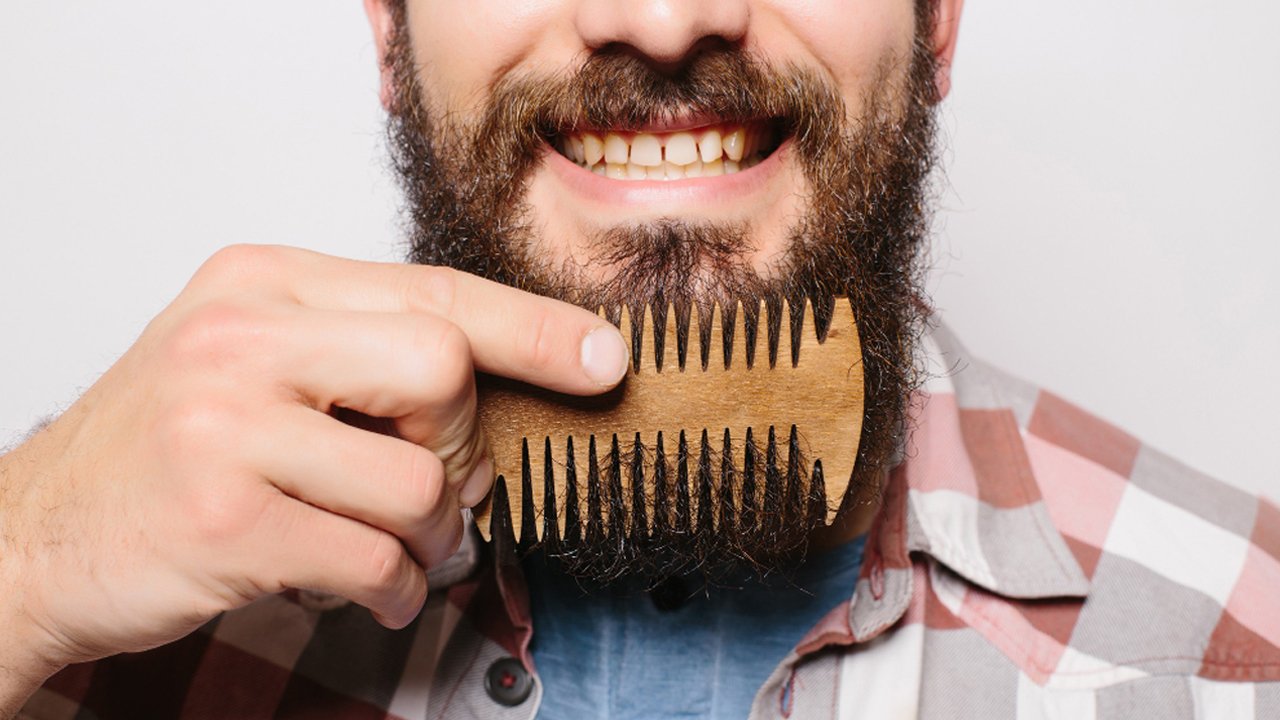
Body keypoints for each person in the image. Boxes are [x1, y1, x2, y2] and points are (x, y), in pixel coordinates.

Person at [3, 1, 1278, 718]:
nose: (665, 21)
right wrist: (26, 561)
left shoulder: (1244, 651)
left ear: (936, 15)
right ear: (386, 29)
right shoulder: (89, 640)